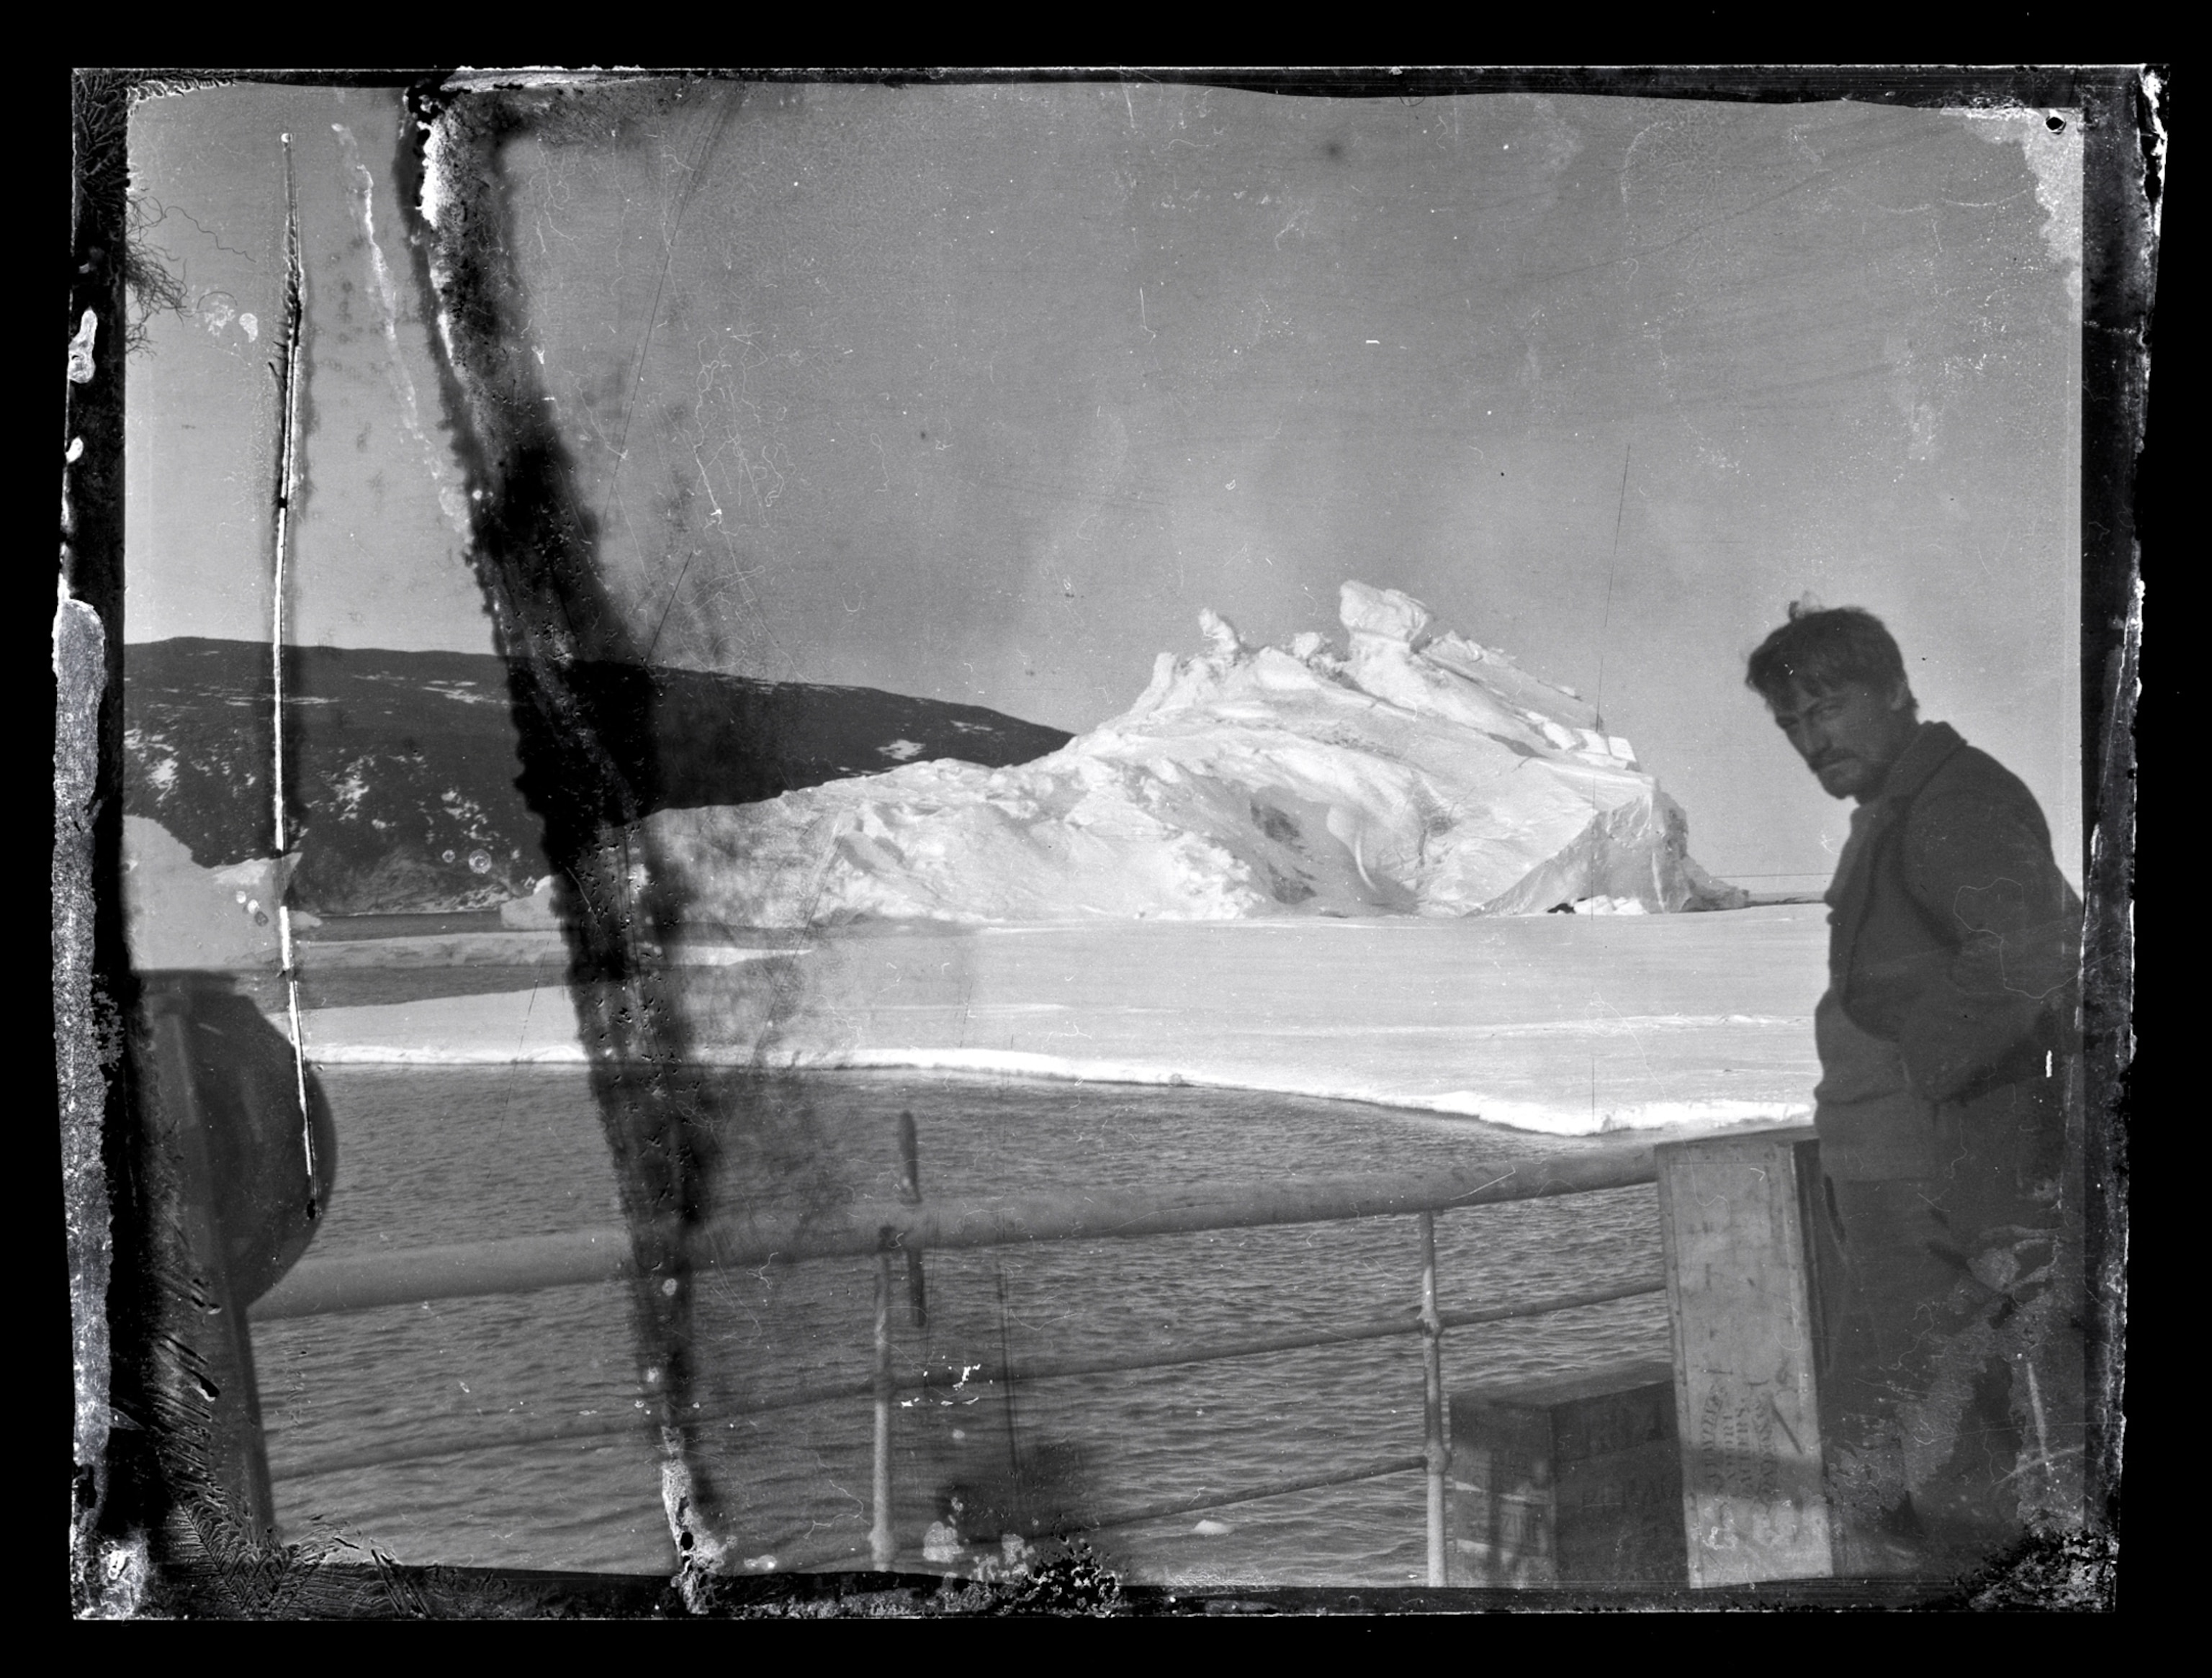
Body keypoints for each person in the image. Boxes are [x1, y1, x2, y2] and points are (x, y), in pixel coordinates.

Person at [1745, 603, 2083, 1575]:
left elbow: (2035, 948)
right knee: (1873, 1457)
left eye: (1830, 706)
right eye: (1793, 722)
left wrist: (1928, 1066)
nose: (1813, 738)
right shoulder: (1902, 808)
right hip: (1887, 1175)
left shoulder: (1953, 803)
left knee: (1942, 1465)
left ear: (1895, 691)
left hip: (1923, 1175)